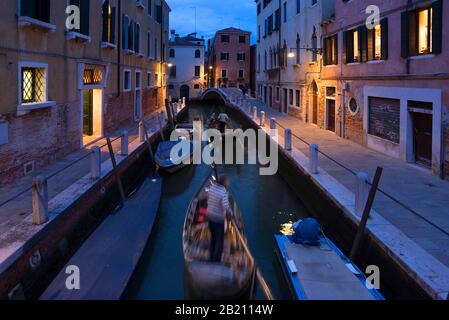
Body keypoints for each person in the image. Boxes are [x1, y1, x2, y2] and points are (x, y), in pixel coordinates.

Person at [206, 174, 233, 262]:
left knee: (213, 239)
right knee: (219, 242)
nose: (228, 184)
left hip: (209, 217)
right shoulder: (223, 192)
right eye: (228, 182)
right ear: (224, 183)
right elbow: (225, 207)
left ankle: (210, 258)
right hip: (218, 220)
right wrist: (231, 215)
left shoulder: (212, 187)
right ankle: (215, 261)